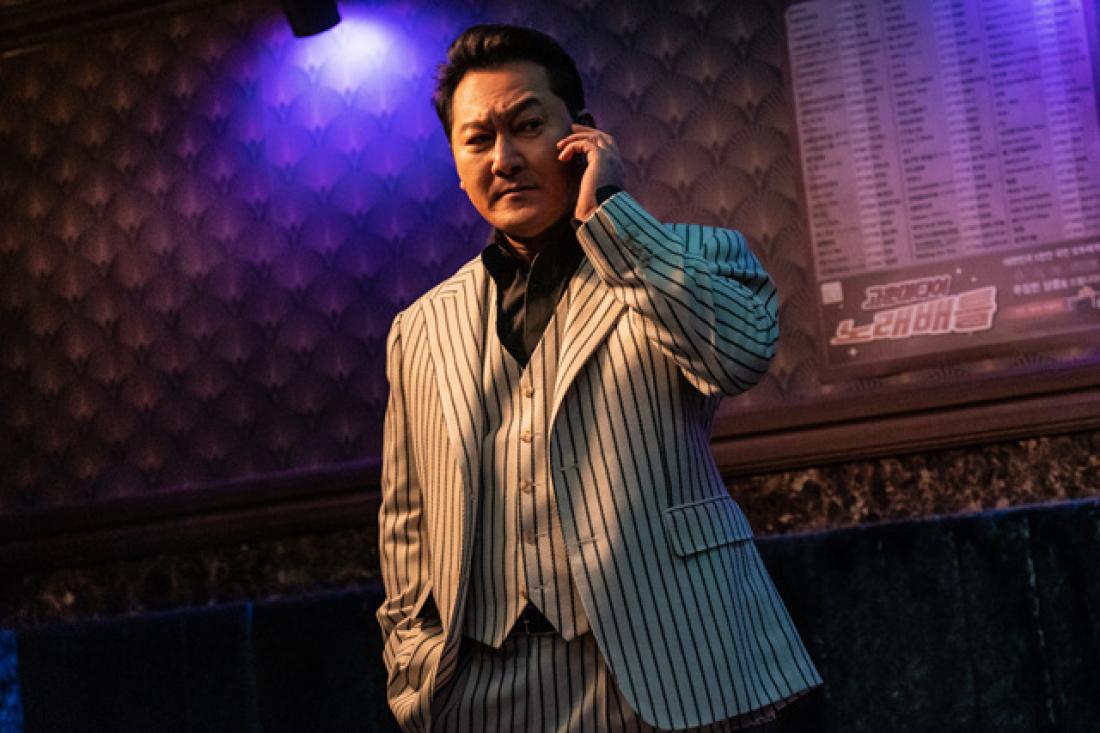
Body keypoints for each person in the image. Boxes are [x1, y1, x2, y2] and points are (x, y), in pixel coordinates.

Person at [376, 24, 821, 733]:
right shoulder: (420, 327)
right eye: (477, 140)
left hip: (676, 666)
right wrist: (414, 664)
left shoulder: (693, 255)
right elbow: (407, 519)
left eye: (528, 126)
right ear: (457, 164)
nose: (504, 159)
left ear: (581, 134)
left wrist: (611, 216)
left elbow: (737, 356)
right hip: (488, 691)